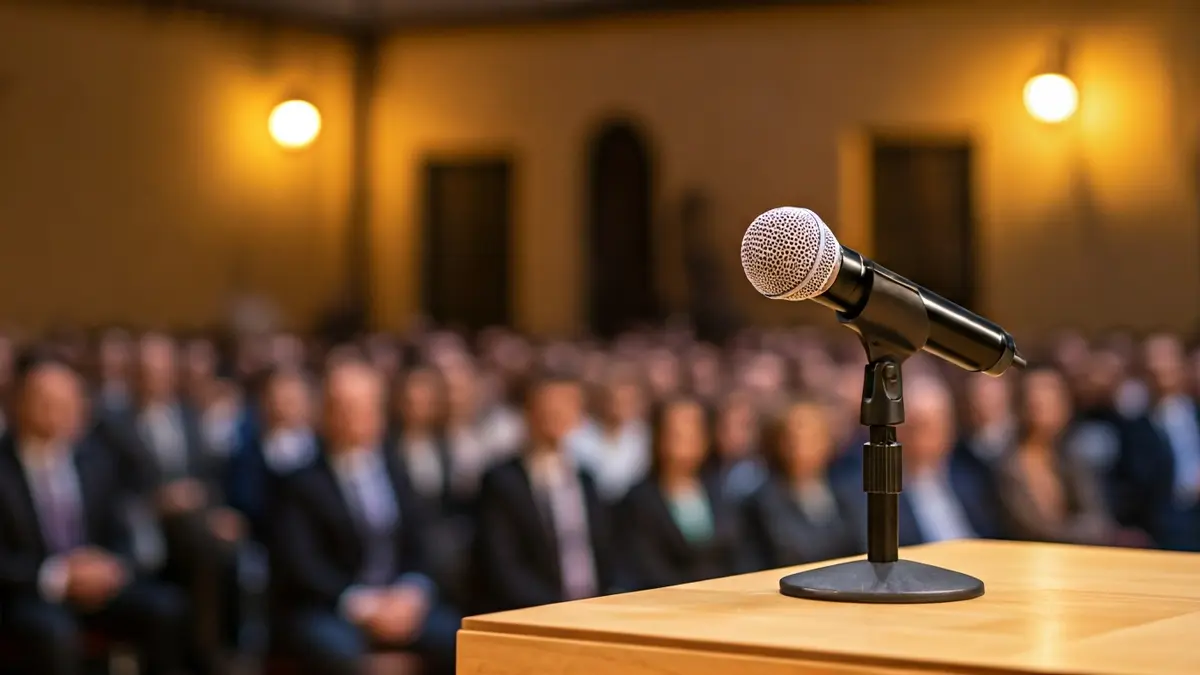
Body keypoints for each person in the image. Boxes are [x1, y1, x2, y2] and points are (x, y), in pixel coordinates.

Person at [270, 359, 458, 675]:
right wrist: (368, 607)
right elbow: (303, 567)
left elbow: (421, 543)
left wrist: (412, 593)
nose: (357, 417)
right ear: (326, 414)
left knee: (461, 638)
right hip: (332, 606)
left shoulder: (396, 470)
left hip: (399, 598)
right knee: (340, 654)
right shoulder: (300, 482)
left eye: (366, 407)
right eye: (345, 408)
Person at [0, 356, 187, 675]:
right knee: (53, 633)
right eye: (46, 402)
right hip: (29, 591)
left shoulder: (95, 458)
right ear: (18, 403)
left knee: (166, 607)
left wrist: (112, 566)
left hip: (98, 580)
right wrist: (58, 576)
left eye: (67, 402)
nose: (60, 412)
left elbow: (123, 528)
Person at [474, 375, 619, 612]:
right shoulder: (502, 481)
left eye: (567, 406)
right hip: (534, 611)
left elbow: (607, 552)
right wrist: (557, 608)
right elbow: (503, 568)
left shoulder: (586, 478)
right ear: (529, 413)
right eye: (549, 407)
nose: (558, 414)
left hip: (595, 608)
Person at [619, 397, 740, 589]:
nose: (685, 438)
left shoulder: (721, 491)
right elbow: (647, 569)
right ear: (658, 436)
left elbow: (735, 556)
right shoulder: (638, 501)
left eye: (693, 430)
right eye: (676, 432)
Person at [994, 366, 1116, 545]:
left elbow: (1098, 517)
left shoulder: (1071, 455)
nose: (1042, 401)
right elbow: (1037, 532)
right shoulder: (1007, 466)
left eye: (1052, 394)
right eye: (1035, 394)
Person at [743, 400, 863, 569]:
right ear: (778, 442)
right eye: (795, 437)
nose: (802, 445)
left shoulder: (844, 493)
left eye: (813, 436)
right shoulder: (762, 503)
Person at [1110, 334, 1200, 551]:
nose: (1160, 367)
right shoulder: (1131, 428)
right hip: (1161, 533)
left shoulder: (1196, 415)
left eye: (1167, 358)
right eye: (1152, 360)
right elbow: (1132, 487)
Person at [895, 376, 1005, 546]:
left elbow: (994, 533)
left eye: (942, 425)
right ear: (900, 430)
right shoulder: (880, 492)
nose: (936, 435)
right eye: (923, 426)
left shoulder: (971, 475)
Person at [571, 370, 651, 504]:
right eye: (618, 399)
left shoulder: (643, 436)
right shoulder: (578, 435)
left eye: (629, 400)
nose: (623, 406)